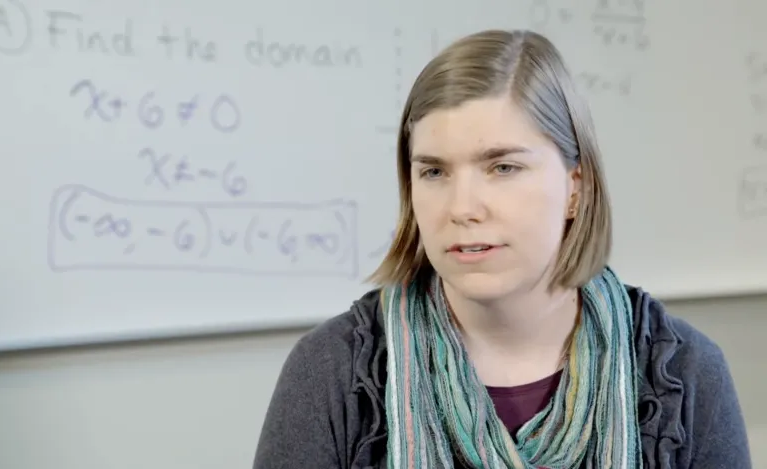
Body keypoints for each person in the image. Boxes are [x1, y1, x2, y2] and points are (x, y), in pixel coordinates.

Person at [252, 29, 752, 468]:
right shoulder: (332, 373)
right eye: (434, 171)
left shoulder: (684, 374)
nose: (462, 207)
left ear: (574, 188)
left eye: (502, 167)